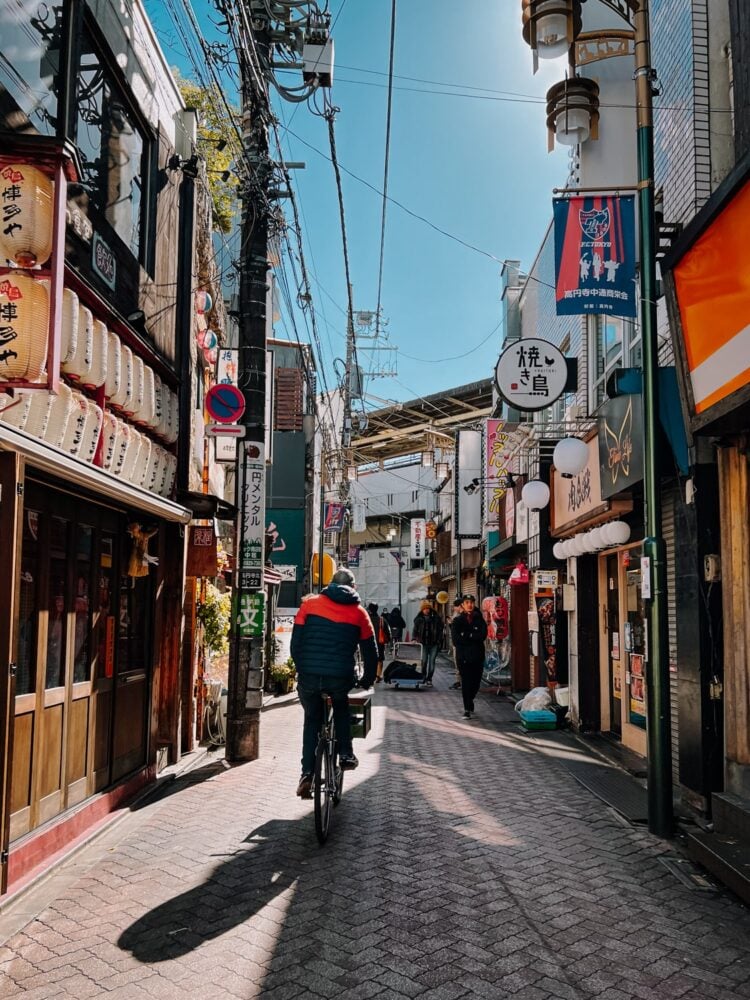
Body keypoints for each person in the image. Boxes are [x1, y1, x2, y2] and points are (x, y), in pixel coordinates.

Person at [291, 568, 378, 798]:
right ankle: (346, 754)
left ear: (330, 584)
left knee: (312, 720)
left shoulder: (309, 605)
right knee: (340, 707)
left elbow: (295, 643)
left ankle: (307, 774)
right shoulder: (360, 613)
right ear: (354, 587)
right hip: (340, 675)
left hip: (309, 675)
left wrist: (302, 668)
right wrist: (366, 680)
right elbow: (371, 653)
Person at [450, 594, 488, 719]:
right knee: (466, 682)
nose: (470, 604)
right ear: (462, 605)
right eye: (467, 602)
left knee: (476, 683)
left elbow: (482, 635)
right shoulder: (457, 621)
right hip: (463, 657)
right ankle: (467, 708)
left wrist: (467, 635)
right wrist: (472, 636)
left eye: (471, 602)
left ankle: (470, 699)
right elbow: (456, 640)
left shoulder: (479, 619)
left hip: (477, 656)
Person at [412, 601, 444, 686]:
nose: (426, 610)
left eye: (428, 608)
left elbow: (440, 630)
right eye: (424, 608)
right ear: (422, 610)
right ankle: (423, 677)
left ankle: (429, 678)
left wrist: (439, 641)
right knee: (424, 662)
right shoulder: (418, 619)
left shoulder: (436, 619)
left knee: (432, 662)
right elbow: (415, 630)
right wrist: (414, 638)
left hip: (434, 644)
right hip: (423, 644)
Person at [366, 602, 391, 682]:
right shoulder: (382, 619)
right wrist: (388, 640)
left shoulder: (366, 619)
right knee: (380, 659)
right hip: (380, 642)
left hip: (368, 641)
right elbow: (388, 632)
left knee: (369, 659)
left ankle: (370, 675)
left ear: (369, 610)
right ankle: (378, 676)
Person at [449, 598, 463, 689]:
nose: (454, 608)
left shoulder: (462, 616)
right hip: (456, 643)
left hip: (461, 644)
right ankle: (459, 681)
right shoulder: (455, 615)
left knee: (460, 663)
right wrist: (451, 624)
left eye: (455, 606)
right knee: (457, 663)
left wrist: (451, 624)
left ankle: (462, 682)